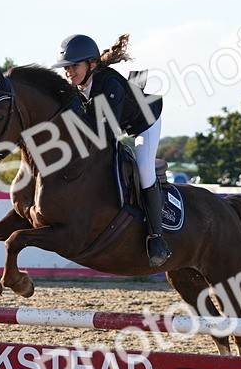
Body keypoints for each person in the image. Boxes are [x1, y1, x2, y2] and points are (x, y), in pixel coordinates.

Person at [52, 33, 170, 266]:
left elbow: (106, 135)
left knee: (144, 168)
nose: (69, 72)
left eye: (74, 66)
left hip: (144, 120)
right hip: (114, 124)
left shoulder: (110, 85)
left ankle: (157, 237)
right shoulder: (76, 87)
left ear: (92, 64)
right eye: (66, 67)